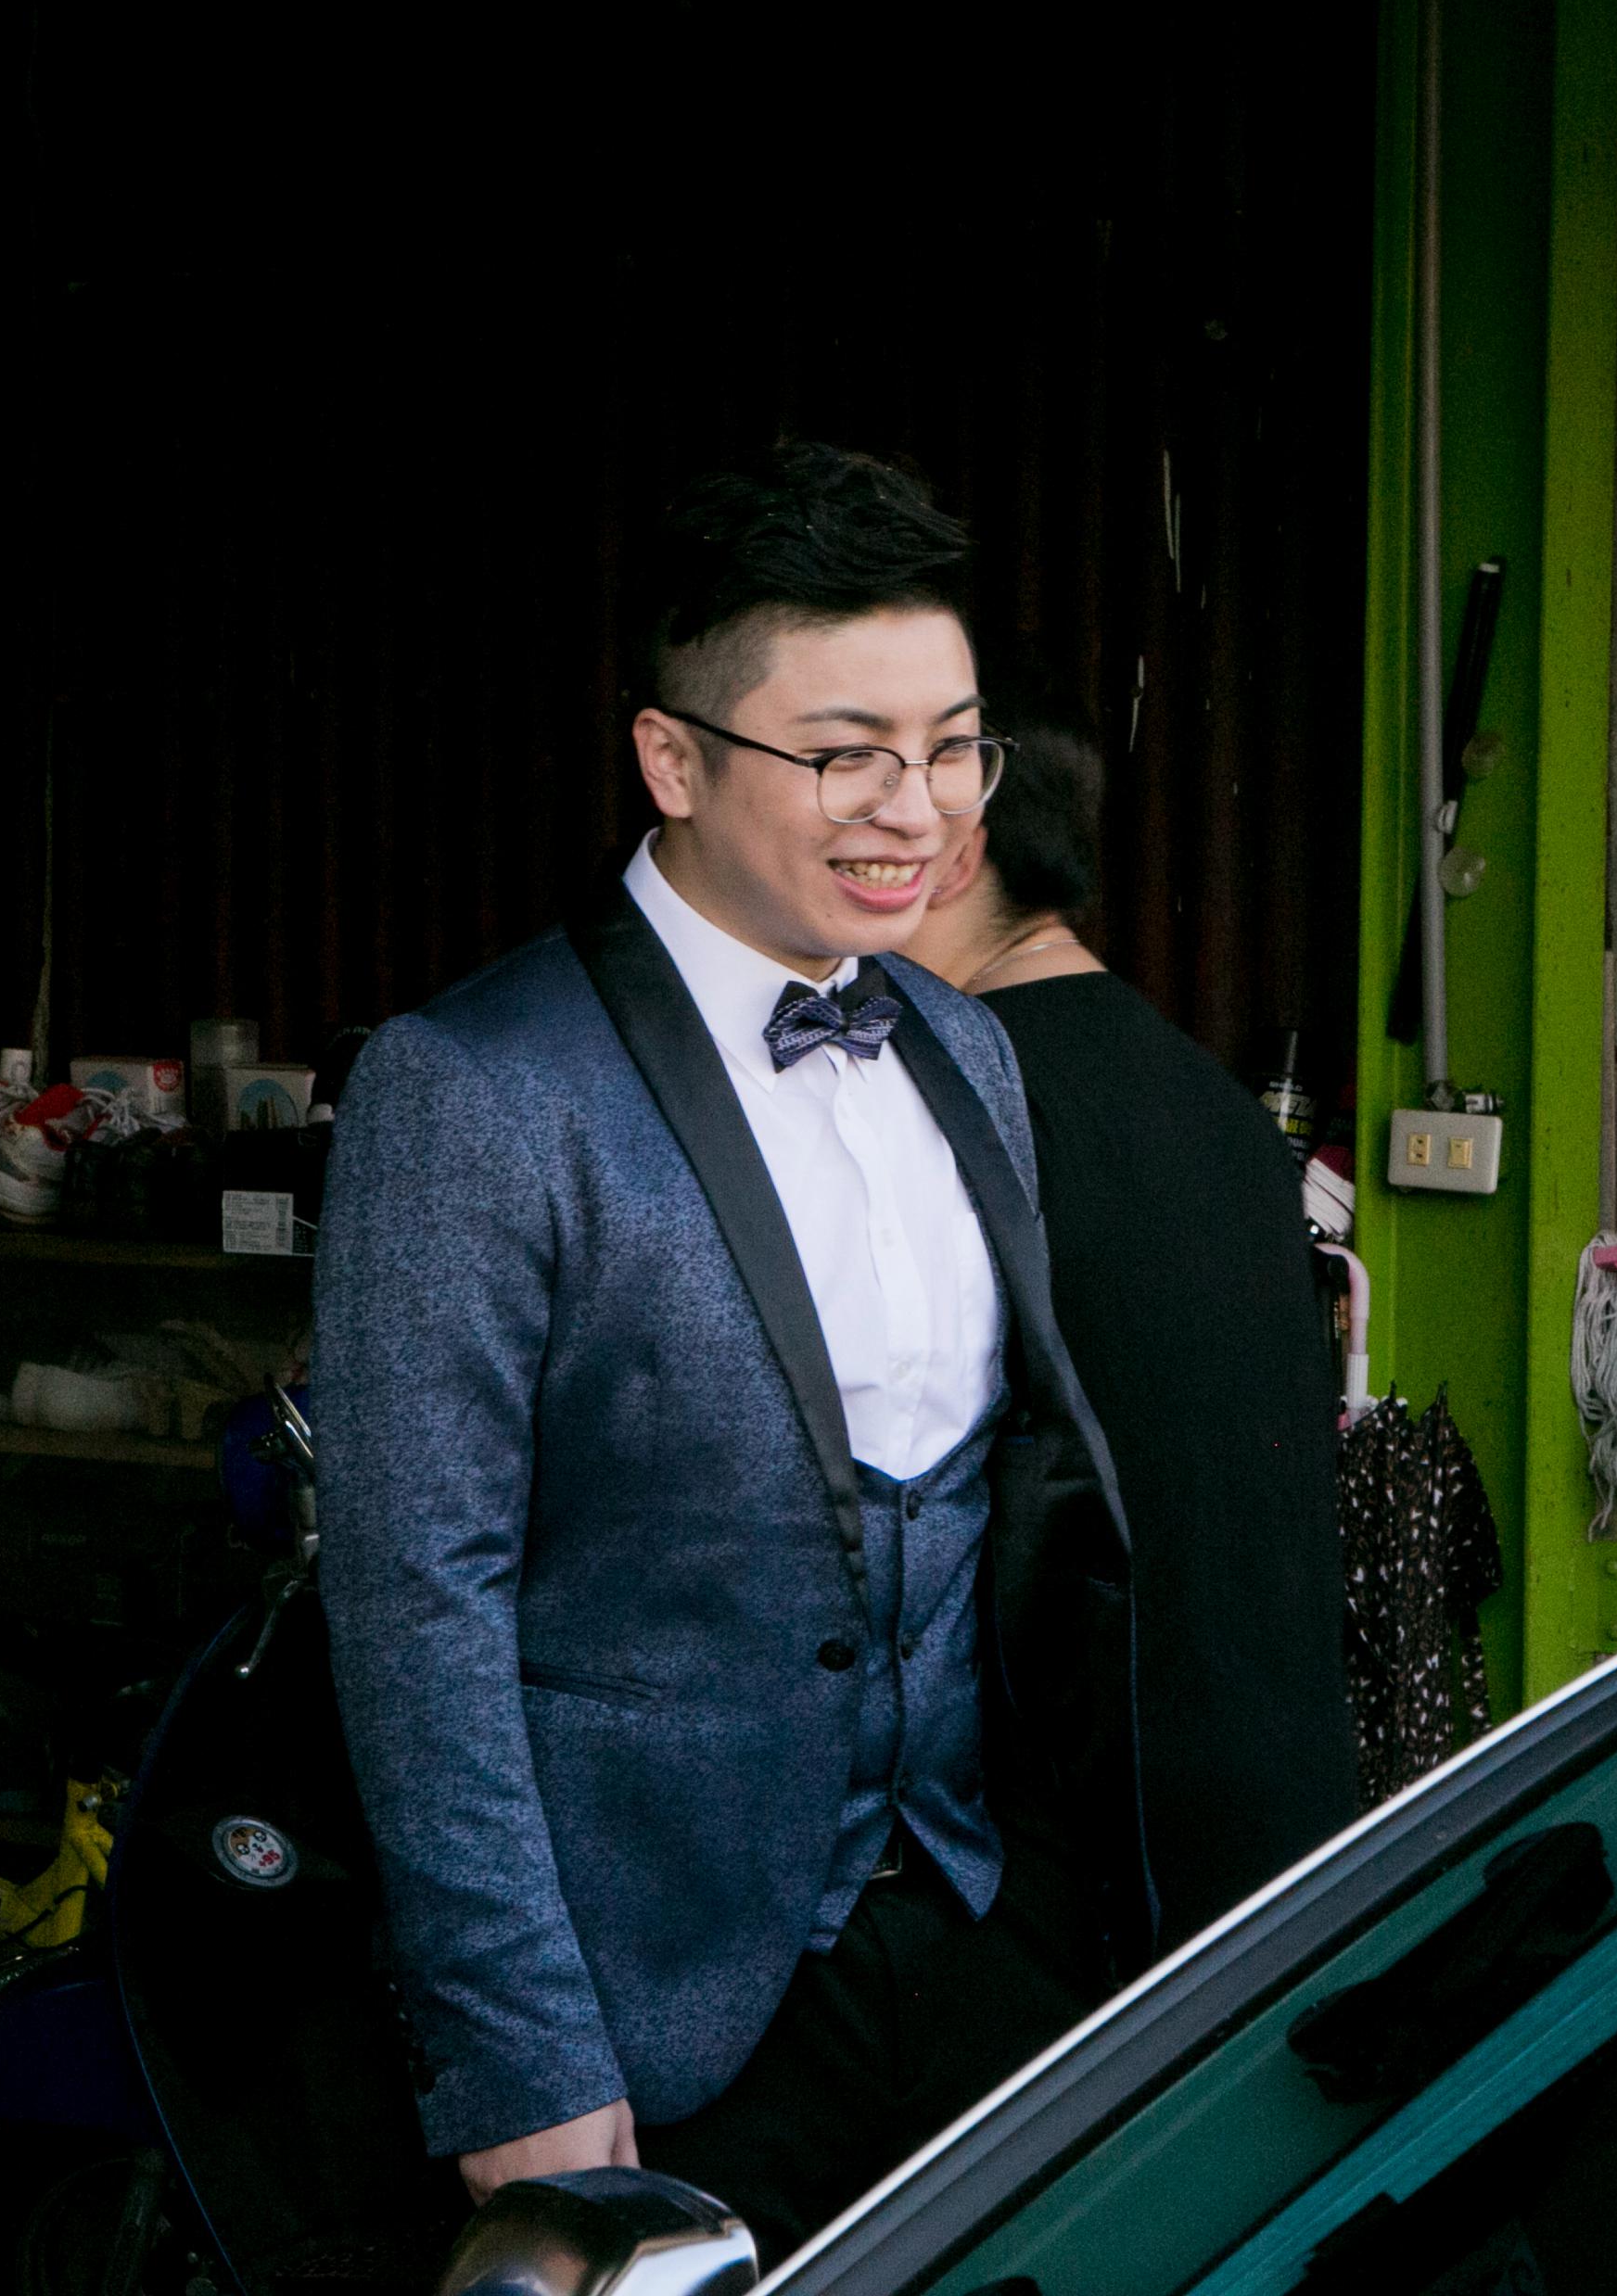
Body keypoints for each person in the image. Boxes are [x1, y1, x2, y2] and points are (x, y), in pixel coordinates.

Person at [314, 446, 1141, 2255]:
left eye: (954, 748)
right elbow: (413, 1596)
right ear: (672, 761)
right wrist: (515, 2050)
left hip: (976, 1950)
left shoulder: (963, 1047)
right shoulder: (472, 1090)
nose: (916, 810)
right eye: (847, 754)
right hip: (649, 2019)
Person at [904, 719, 1361, 1934]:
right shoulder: (1213, 1103)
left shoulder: (960, 1107)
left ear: (957, 850)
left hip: (1087, 1868)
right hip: (1274, 1823)